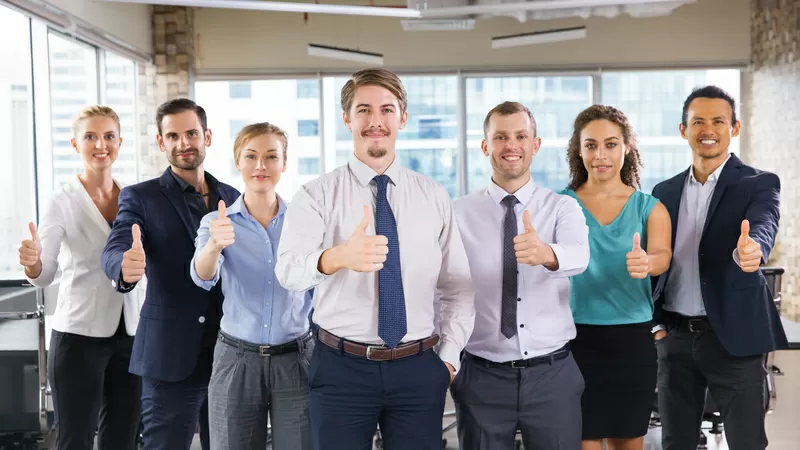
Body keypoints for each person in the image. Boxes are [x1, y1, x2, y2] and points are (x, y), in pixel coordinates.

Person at [275, 68, 475, 450]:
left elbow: (458, 288)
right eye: (363, 110)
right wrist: (334, 257)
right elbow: (288, 270)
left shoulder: (433, 196)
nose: (375, 121)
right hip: (341, 369)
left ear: (402, 117)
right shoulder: (316, 195)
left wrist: (447, 360)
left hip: (418, 367)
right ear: (347, 118)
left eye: (387, 109)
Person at [650, 85, 787, 450]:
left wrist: (753, 250)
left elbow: (764, 225)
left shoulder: (758, 183)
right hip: (675, 338)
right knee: (676, 442)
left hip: (735, 339)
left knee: (746, 443)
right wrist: (658, 327)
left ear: (734, 128)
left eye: (718, 121)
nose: (707, 129)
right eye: (698, 121)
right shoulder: (663, 192)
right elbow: (655, 261)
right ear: (684, 130)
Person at [101, 98, 240, 450]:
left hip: (232, 351)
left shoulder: (233, 196)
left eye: (191, 133)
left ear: (206, 136)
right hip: (170, 353)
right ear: (162, 143)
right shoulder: (141, 196)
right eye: (173, 136)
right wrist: (124, 266)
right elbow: (117, 246)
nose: (184, 143)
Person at [451, 101, 589, 450]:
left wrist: (547, 253)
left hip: (551, 375)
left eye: (521, 136)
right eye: (500, 137)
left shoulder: (561, 207)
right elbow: (446, 290)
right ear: (485, 146)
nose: (511, 145)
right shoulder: (458, 213)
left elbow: (580, 256)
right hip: (482, 375)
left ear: (535, 144)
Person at [18, 105, 143, 450]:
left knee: (123, 438)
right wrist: (32, 264)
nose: (100, 144)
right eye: (90, 136)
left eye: (108, 136)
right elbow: (45, 271)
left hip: (130, 333)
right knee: (76, 439)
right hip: (78, 336)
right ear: (76, 145)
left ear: (120, 142)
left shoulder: (133, 196)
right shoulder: (62, 199)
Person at [190, 122, 314, 450]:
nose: (261, 165)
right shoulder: (216, 223)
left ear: (284, 164)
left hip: (296, 359)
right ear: (238, 162)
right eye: (251, 156)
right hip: (236, 359)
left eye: (271, 156)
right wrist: (215, 245)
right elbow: (202, 276)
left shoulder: (304, 223)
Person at [559, 105, 672, 450]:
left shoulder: (650, 207)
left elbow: (663, 256)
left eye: (610, 144)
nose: (600, 155)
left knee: (628, 442)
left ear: (626, 148)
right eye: (591, 145)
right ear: (579, 150)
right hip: (574, 343)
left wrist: (647, 263)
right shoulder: (561, 205)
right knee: (584, 441)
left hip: (632, 345)